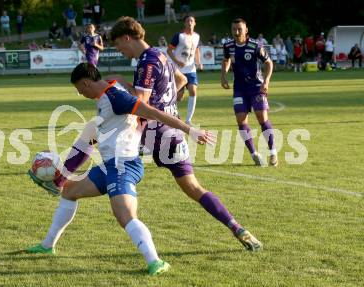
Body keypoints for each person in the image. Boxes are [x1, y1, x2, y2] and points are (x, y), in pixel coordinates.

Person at [30, 16, 262, 257]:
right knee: (193, 187)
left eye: (118, 45)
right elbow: (181, 80)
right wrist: (169, 105)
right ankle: (237, 227)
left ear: (127, 38)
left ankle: (59, 178)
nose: (119, 50)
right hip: (171, 136)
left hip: (152, 133)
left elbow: (139, 102)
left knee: (96, 130)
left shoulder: (146, 62)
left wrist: (121, 82)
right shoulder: (161, 55)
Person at [27, 62, 214, 275]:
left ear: (86, 83)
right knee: (69, 191)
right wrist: (61, 177)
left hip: (124, 166)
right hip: (109, 166)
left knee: (124, 215)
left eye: (80, 90)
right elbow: (87, 143)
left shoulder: (116, 98)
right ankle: (47, 245)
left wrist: (190, 130)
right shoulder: (106, 95)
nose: (80, 94)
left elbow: (154, 113)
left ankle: (155, 262)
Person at [221, 18, 277, 167]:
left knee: (262, 117)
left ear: (246, 30)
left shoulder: (255, 45)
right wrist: (223, 75)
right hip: (239, 88)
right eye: (234, 29)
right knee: (241, 120)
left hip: (256, 86)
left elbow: (268, 63)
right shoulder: (228, 46)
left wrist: (266, 81)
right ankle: (254, 154)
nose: (236, 32)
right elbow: (226, 60)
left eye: (239, 29)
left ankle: (273, 152)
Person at [167, 15, 203, 125]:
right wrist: (177, 62)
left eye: (192, 20)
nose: (190, 22)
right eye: (188, 21)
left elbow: (196, 50)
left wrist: (199, 62)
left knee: (193, 90)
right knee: (179, 97)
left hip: (191, 69)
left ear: (195, 23)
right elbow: (169, 50)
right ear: (184, 23)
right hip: (179, 71)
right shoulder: (179, 36)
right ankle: (172, 115)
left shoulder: (197, 36)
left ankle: (188, 120)